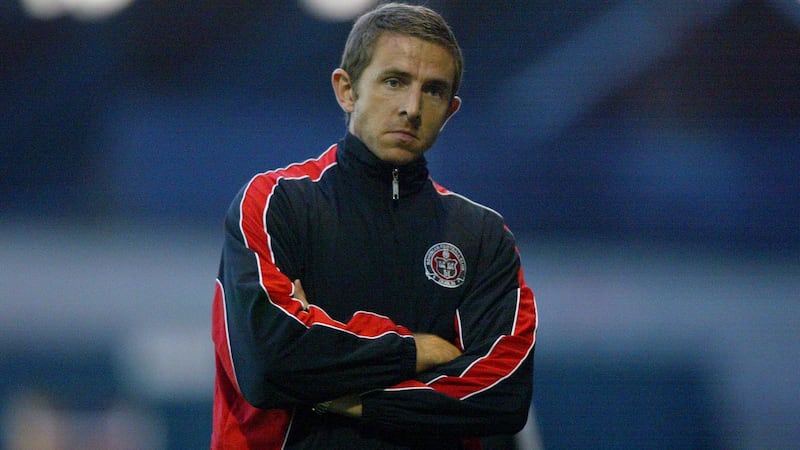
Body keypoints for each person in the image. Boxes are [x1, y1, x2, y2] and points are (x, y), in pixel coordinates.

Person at [210, 3, 537, 448]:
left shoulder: (483, 237)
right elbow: (267, 363)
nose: (411, 108)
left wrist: (339, 394)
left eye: (434, 91)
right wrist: (418, 351)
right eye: (394, 81)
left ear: (452, 109)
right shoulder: (276, 204)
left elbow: (503, 395)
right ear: (346, 90)